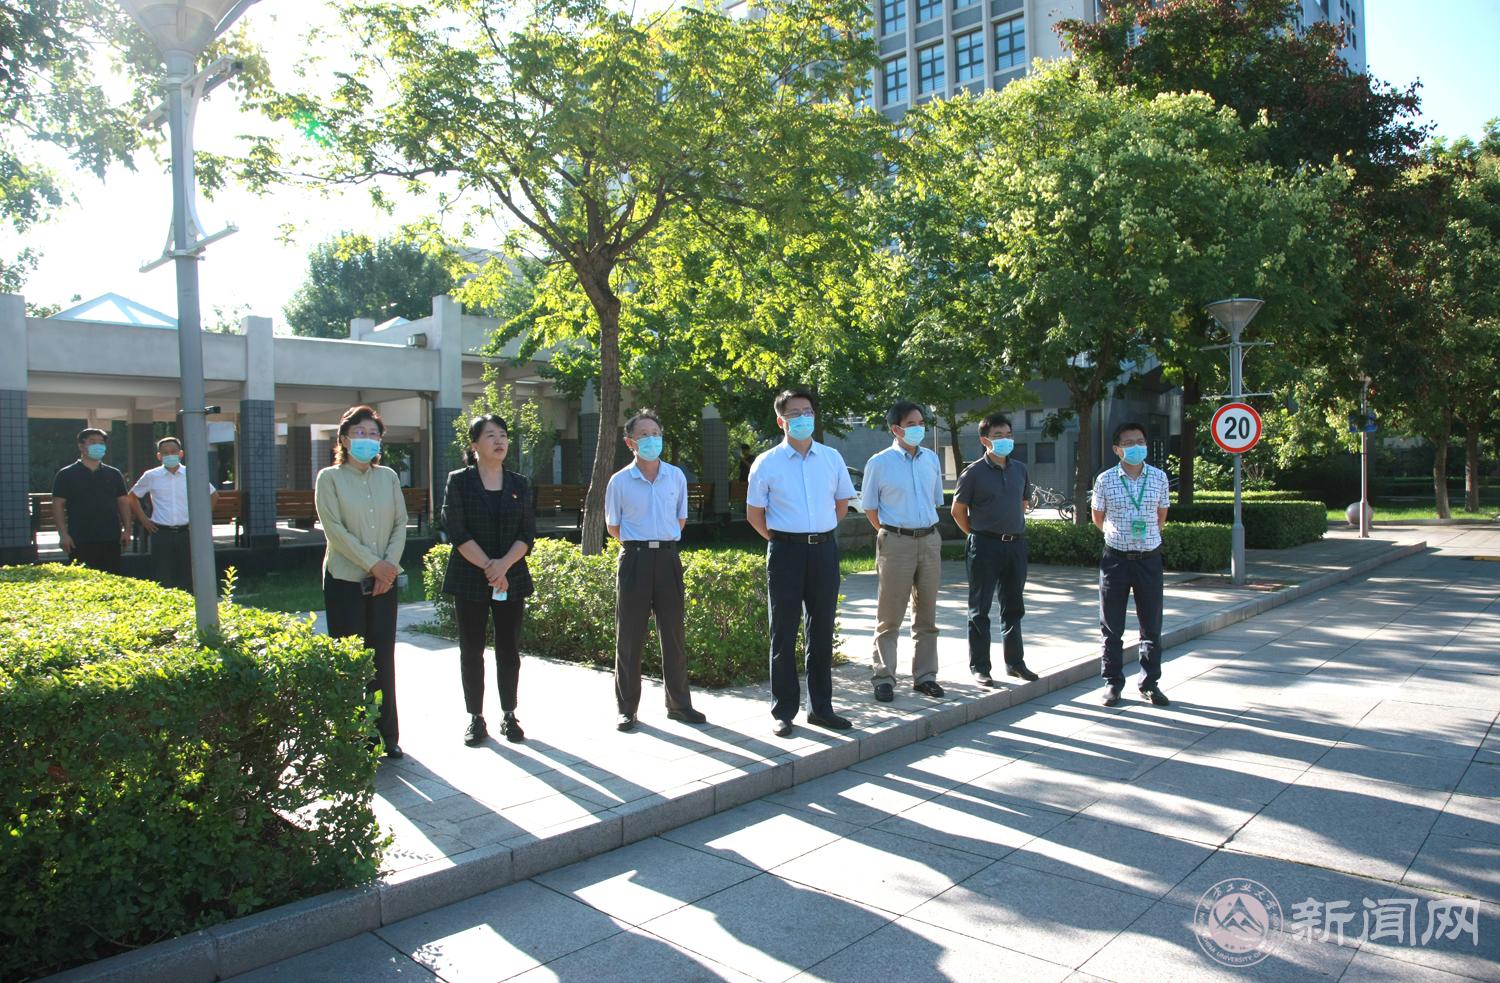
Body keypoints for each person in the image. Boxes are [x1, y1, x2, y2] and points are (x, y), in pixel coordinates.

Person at [746, 387, 856, 737]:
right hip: (785, 552)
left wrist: (818, 532)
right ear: (781, 421)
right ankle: (783, 711)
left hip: (824, 551)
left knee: (821, 631)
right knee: (783, 631)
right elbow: (754, 514)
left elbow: (841, 505)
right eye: (795, 413)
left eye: (807, 412)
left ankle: (821, 708)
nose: (803, 418)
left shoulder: (831, 458)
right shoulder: (766, 463)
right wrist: (782, 539)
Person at [605, 410, 706, 732]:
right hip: (634, 559)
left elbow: (680, 519)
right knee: (629, 637)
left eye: (656, 433)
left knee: (673, 634)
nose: (652, 439)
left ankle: (679, 705)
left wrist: (658, 542)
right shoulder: (619, 481)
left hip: (667, 558)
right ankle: (626, 709)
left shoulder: (675, 477)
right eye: (644, 435)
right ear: (630, 442)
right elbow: (613, 526)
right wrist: (640, 543)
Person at [316, 405, 407, 759]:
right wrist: (374, 565)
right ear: (344, 439)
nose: (367, 439)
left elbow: (400, 524)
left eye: (373, 434)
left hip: (385, 583)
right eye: (359, 433)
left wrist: (389, 568)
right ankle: (354, 734)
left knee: (383, 658)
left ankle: (387, 735)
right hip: (345, 581)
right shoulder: (329, 478)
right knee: (351, 661)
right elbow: (335, 530)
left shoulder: (388, 477)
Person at [440, 414, 536, 746]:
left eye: (504, 435)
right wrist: (490, 568)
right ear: (474, 444)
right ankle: (475, 717)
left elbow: (527, 533)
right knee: (471, 649)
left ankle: (509, 714)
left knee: (509, 649)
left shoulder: (519, 483)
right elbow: (457, 530)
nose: (499, 441)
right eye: (491, 435)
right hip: (470, 576)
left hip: (511, 576)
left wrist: (504, 566)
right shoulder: (459, 481)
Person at [862, 400, 945, 703]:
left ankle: (925, 677)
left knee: (927, 615)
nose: (918, 428)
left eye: (921, 423)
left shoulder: (931, 459)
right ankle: (884, 677)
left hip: (930, 540)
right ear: (896, 429)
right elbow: (870, 508)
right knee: (890, 615)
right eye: (912, 424)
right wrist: (890, 532)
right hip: (896, 542)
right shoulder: (879, 463)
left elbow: (935, 500)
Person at [952, 413, 1040, 687]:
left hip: (1015, 545)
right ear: (984, 440)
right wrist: (976, 533)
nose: (1005, 440)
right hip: (984, 545)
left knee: (1013, 606)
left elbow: (1022, 504)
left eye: (1008, 435)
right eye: (998, 435)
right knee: (980, 608)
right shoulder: (973, 472)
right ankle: (980, 666)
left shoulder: (1020, 469)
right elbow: (957, 511)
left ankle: (1015, 663)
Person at [1090, 421, 1172, 707]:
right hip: (1116, 560)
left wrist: (1143, 538)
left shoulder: (1159, 478)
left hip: (1149, 559)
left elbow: (1161, 516)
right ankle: (1113, 683)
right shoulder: (1105, 480)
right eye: (1128, 443)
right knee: (1111, 626)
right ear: (1117, 449)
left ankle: (1150, 683)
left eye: (1140, 441)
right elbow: (1098, 517)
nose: (1135, 447)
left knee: (1151, 626)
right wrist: (1120, 536)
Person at [128, 436, 217, 590]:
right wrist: (144, 520)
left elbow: (213, 495)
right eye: (165, 452)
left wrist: (201, 521)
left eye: (173, 451)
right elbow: (132, 496)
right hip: (160, 532)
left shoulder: (192, 473)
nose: (170, 455)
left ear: (181, 453)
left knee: (189, 574)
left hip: (187, 532)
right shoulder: (151, 476)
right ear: (159, 456)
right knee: (162, 575)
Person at [51, 428, 130, 573]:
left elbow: (123, 502)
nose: (98, 446)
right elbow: (58, 505)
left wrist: (127, 529)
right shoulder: (66, 474)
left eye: (101, 442)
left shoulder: (114, 474)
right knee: (82, 579)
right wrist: (63, 535)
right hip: (79, 538)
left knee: (112, 578)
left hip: (111, 536)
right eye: (92, 442)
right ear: (81, 446)